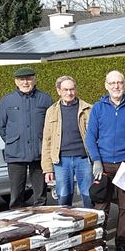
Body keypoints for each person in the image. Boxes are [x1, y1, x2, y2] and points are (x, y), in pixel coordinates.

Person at [85, 70, 125, 251]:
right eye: (112, 83)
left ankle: (121, 242)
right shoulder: (98, 108)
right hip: (103, 165)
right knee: (101, 206)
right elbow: (90, 137)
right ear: (106, 85)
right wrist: (96, 161)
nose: (116, 86)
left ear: (124, 84)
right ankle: (99, 241)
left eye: (119, 83)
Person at [0, 67, 53, 208]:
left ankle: (41, 223)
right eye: (22, 79)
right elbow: (1, 127)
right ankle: (17, 224)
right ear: (16, 81)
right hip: (16, 154)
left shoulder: (45, 99)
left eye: (28, 79)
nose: (25, 82)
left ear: (34, 80)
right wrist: (13, 141)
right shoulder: (7, 101)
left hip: (39, 153)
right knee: (16, 196)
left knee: (40, 196)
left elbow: (52, 125)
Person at [41, 76, 93, 208]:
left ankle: (90, 226)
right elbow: (47, 141)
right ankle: (67, 227)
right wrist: (47, 168)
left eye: (72, 89)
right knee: (64, 198)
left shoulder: (88, 109)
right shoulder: (51, 111)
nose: (69, 93)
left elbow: (95, 137)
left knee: (89, 196)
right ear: (59, 91)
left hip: (84, 159)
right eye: (65, 90)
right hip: (61, 161)